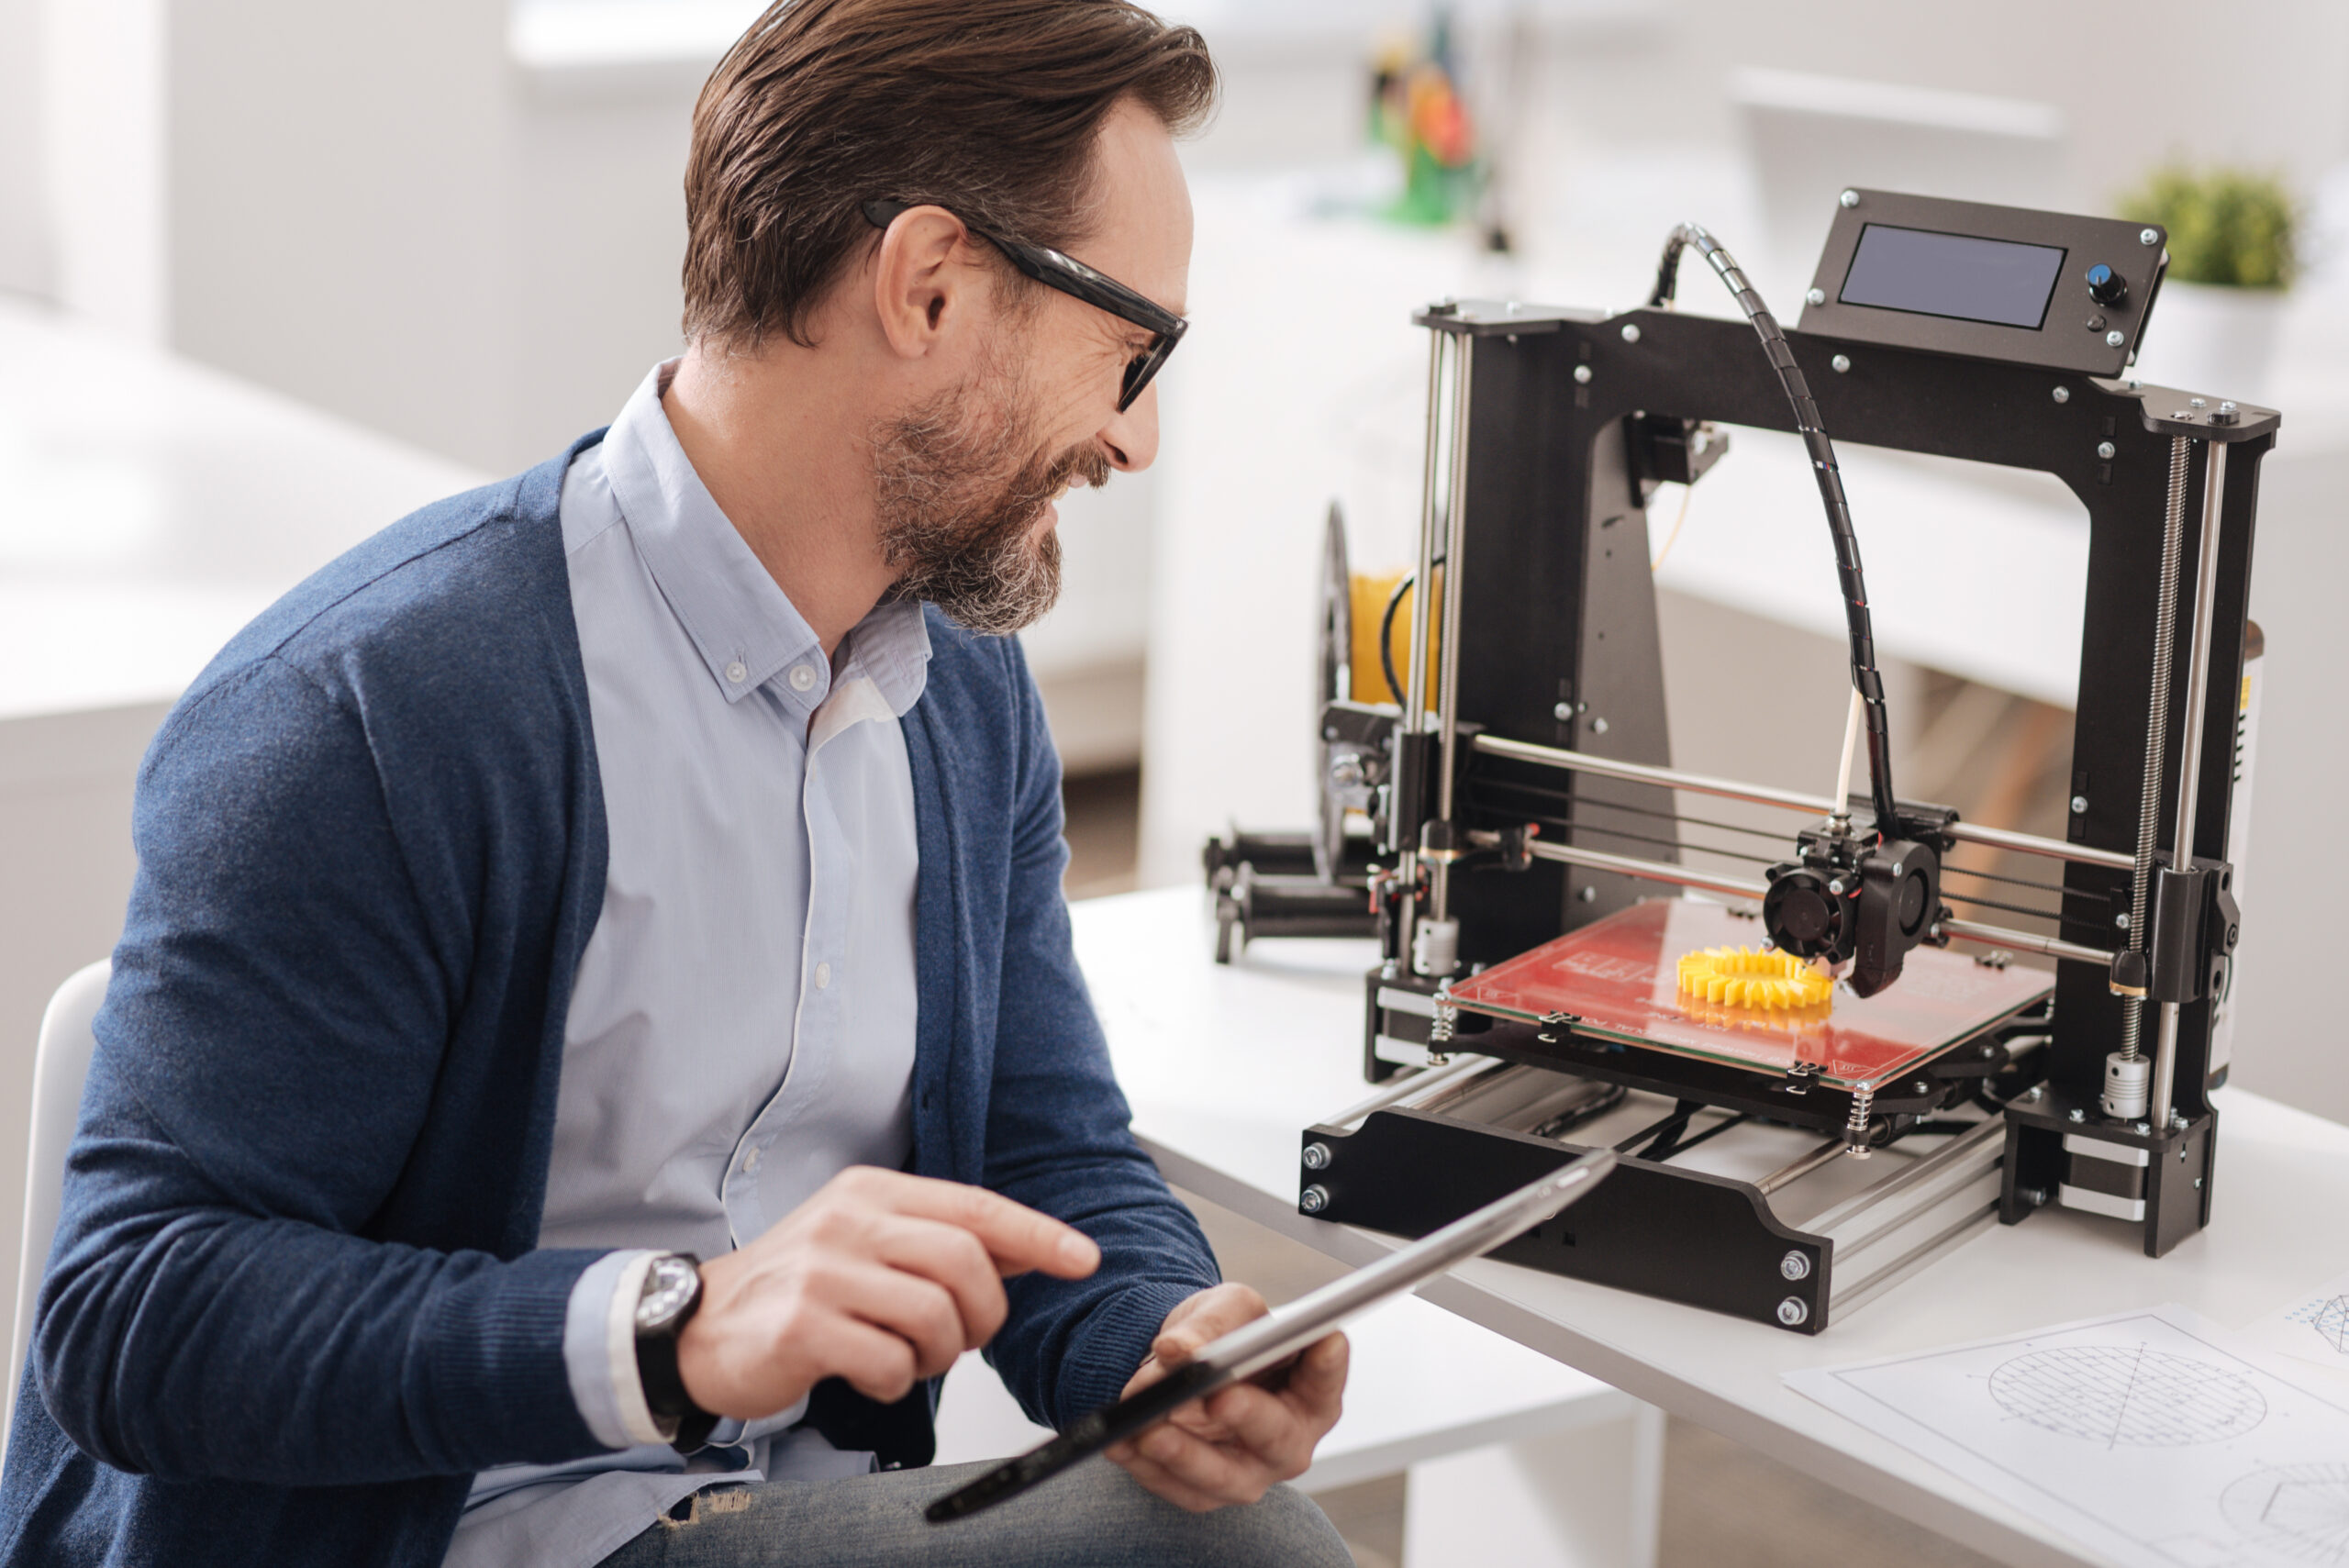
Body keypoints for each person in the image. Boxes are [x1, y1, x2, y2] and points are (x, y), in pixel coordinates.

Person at [0, 2, 1355, 1563]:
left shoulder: (958, 693)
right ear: (926, 285)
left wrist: (1151, 1341)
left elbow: (1044, 1147)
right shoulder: (372, 706)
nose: (1142, 436)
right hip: (460, 1538)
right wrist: (675, 1331)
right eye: (1132, 350)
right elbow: (133, 1315)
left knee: (1237, 1531)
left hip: (791, 1512)